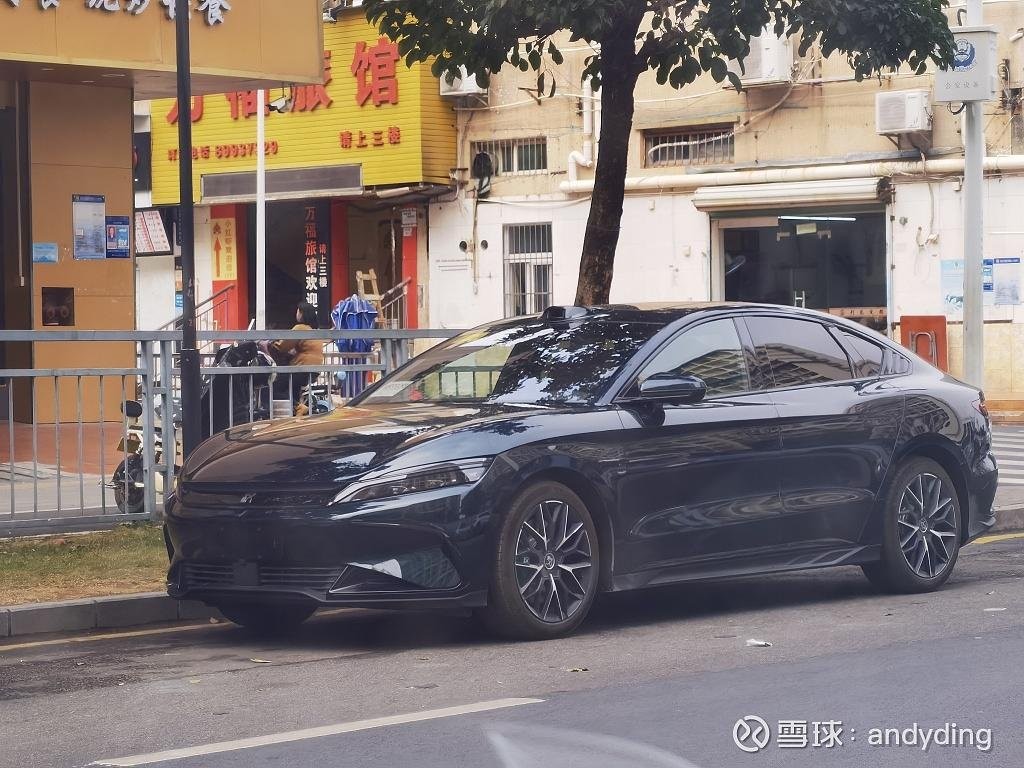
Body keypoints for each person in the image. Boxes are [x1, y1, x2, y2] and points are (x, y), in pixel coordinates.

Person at [263, 302, 325, 406]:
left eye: (298, 311)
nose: (296, 314)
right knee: (292, 388)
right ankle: (296, 407)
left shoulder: (300, 328)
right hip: (314, 369)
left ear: (302, 314)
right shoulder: (314, 330)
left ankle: (291, 407)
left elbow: (283, 346)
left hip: (302, 367)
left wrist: (270, 343)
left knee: (272, 387)